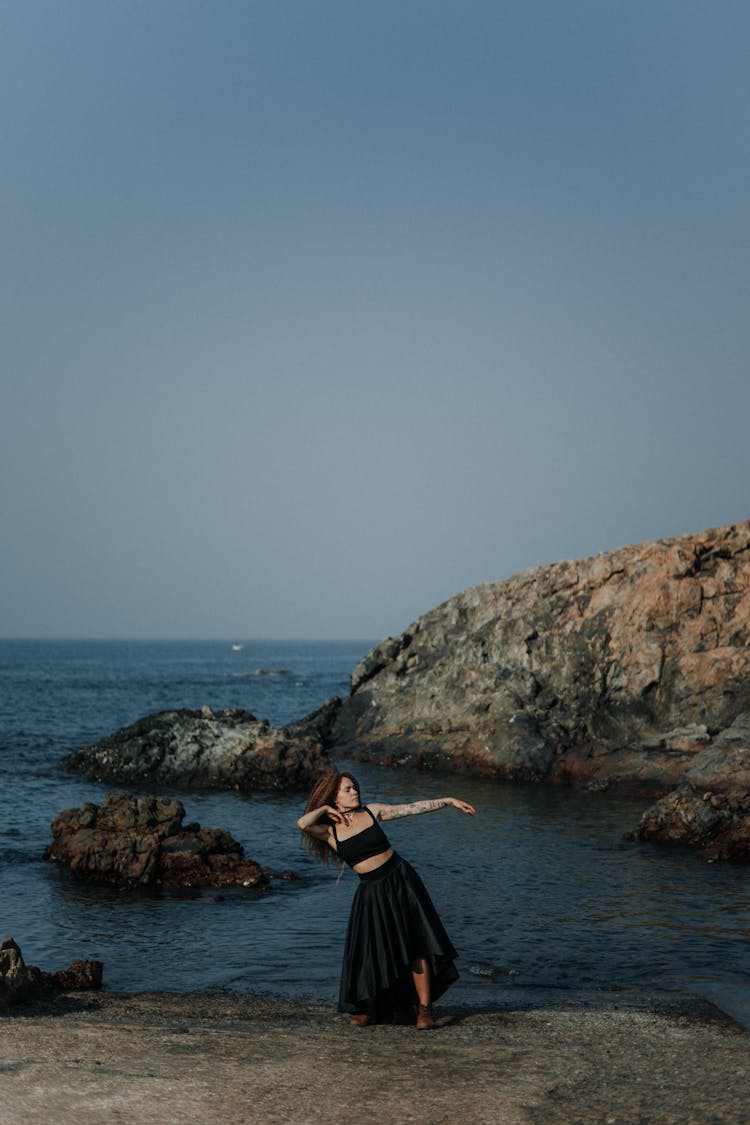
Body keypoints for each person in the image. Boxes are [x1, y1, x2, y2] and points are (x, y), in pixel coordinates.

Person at [297, 770, 475, 1030]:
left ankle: (424, 1011)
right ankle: (368, 1008)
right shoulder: (330, 832)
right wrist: (324, 809)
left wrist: (447, 800)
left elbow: (412, 808)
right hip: (371, 892)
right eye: (347, 789)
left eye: (354, 787)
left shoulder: (372, 812)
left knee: (418, 945)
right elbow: (303, 823)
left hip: (401, 882)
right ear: (334, 798)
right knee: (372, 950)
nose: (355, 791)